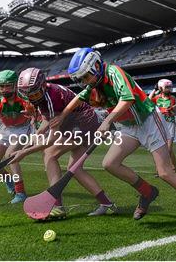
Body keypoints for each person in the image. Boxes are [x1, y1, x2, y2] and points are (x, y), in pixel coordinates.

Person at [49, 48, 176, 232]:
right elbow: (79, 98)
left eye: (85, 77)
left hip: (149, 121)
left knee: (165, 172)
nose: (84, 82)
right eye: (80, 79)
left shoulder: (114, 72)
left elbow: (127, 99)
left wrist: (107, 121)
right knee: (110, 163)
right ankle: (147, 192)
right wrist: (63, 115)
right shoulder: (94, 83)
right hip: (129, 127)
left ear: (96, 66)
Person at [9, 67, 117, 218]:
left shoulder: (51, 96)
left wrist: (24, 152)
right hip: (81, 125)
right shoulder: (42, 95)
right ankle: (107, 204)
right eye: (28, 95)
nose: (32, 97)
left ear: (42, 85)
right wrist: (37, 135)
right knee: (75, 168)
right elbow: (48, 119)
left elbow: (52, 139)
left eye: (34, 93)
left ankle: (57, 206)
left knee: (49, 154)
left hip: (82, 125)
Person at [0, 70, 31, 204]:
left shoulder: (24, 99)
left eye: (8, 86)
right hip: (6, 130)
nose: (4, 89)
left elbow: (35, 116)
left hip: (23, 129)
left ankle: (21, 193)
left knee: (11, 156)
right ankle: (9, 181)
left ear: (15, 85)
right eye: (1, 86)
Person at [149, 79, 176, 174]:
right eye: (167, 87)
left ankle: (174, 167)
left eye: (170, 87)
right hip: (159, 125)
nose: (169, 89)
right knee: (158, 148)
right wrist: (154, 90)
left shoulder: (172, 98)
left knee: (169, 149)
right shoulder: (157, 97)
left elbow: (173, 111)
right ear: (161, 87)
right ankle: (160, 169)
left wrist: (169, 111)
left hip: (169, 124)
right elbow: (147, 101)